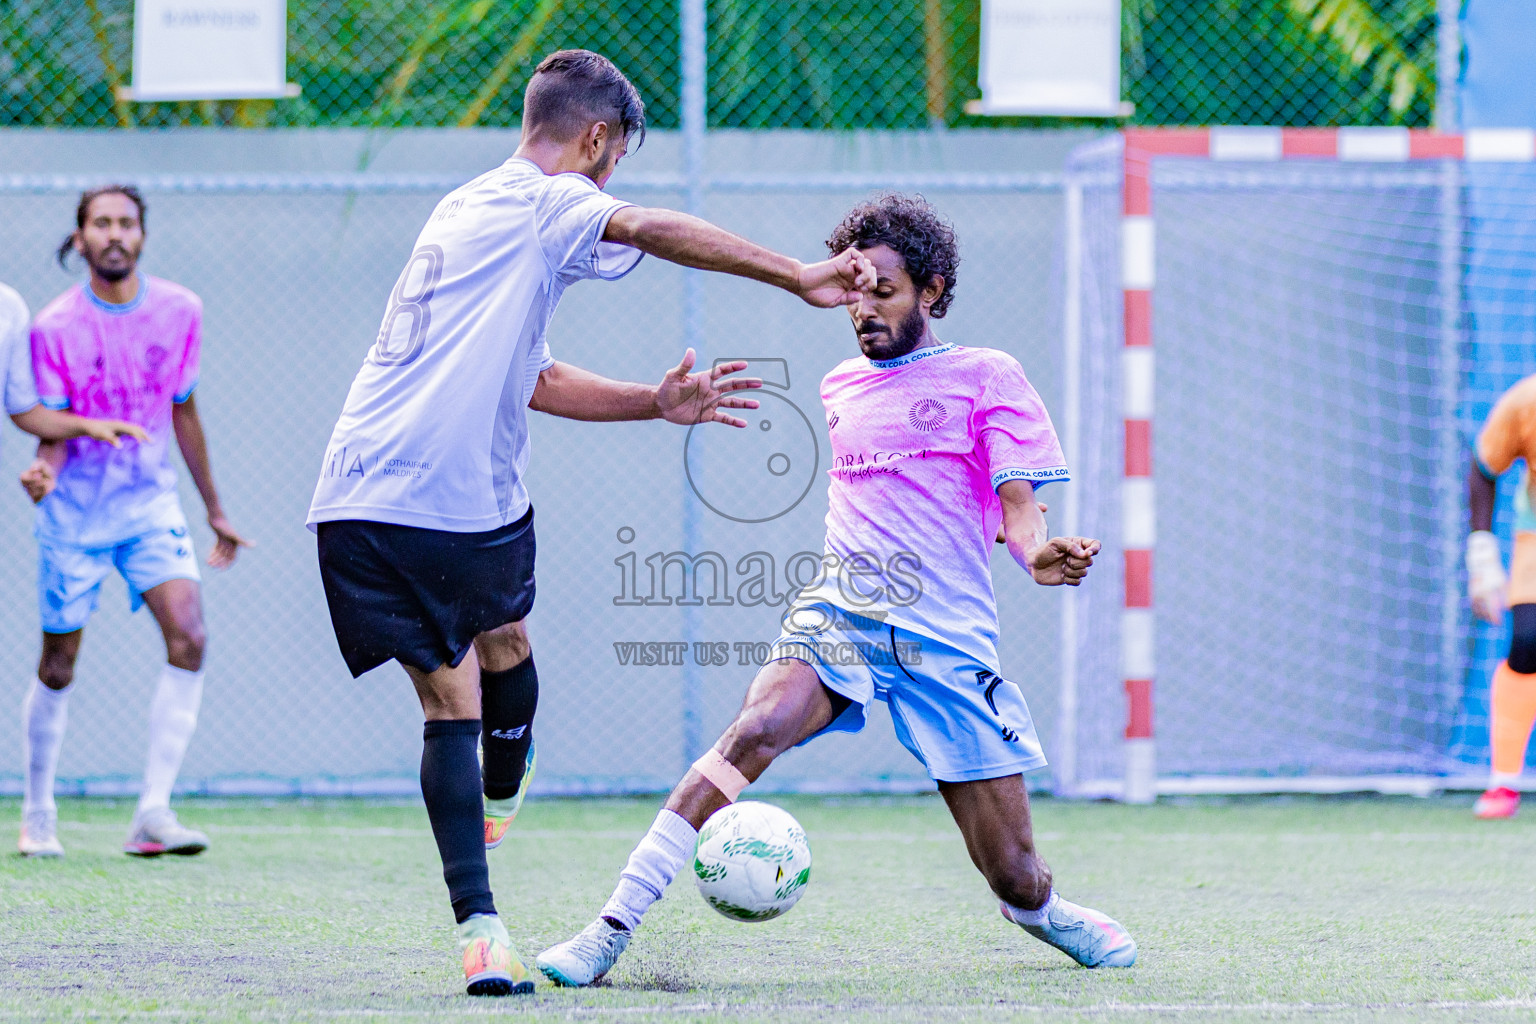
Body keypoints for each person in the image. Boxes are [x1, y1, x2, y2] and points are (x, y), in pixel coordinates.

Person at [306, 49, 874, 997]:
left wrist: (655, 402)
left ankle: (484, 919)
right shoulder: (551, 199)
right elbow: (645, 225)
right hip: (453, 498)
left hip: (353, 496)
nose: (611, 184)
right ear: (598, 139)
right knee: (480, 675)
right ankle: (501, 796)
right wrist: (795, 275)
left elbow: (532, 378)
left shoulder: (463, 207)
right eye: (616, 162)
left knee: (464, 681)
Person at [537, 194, 1136, 987]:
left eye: (883, 291)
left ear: (932, 290)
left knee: (1016, 875)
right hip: (842, 614)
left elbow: (1018, 508)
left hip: (947, 638)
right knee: (754, 730)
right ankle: (608, 930)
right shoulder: (839, 385)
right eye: (854, 293)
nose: (863, 310)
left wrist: (1036, 555)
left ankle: (1041, 914)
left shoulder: (988, 375)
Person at [17, 184, 251, 860]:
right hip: (75, 515)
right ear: (81, 237)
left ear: (142, 235)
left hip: (150, 505)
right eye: (102, 223)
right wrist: (45, 472)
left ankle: (152, 813)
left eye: (126, 222)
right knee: (59, 663)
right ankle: (38, 814)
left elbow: (184, 410)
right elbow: (51, 425)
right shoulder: (53, 326)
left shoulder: (181, 310)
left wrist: (214, 509)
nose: (115, 234)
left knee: (190, 637)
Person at [1465, 375, 1536, 818]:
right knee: (1529, 642)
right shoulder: (1526, 401)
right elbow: (1483, 468)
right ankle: (1504, 781)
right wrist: (1483, 556)